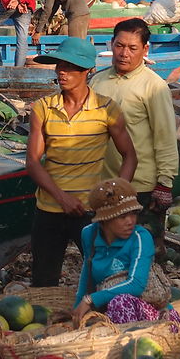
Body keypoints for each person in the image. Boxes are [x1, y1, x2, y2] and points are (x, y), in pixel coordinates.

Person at [25, 37, 137, 287]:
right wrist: (62, 197)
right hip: (49, 209)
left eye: (70, 67)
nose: (62, 72)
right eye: (59, 66)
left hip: (89, 212)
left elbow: (130, 155)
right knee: (44, 279)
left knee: (103, 276)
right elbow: (32, 162)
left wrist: (117, 193)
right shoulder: (43, 108)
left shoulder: (107, 109)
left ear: (87, 71)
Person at [90, 18, 178, 260]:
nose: (124, 54)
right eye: (119, 46)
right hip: (105, 184)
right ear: (111, 44)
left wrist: (165, 184)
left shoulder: (153, 86)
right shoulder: (98, 80)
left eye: (132, 48)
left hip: (142, 186)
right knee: (110, 253)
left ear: (145, 50)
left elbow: (166, 136)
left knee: (146, 254)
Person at [73, 177, 180, 326]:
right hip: (109, 313)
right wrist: (77, 310)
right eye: (123, 216)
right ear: (105, 219)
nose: (130, 221)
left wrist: (91, 300)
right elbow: (87, 272)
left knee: (120, 303)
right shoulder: (89, 234)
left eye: (133, 214)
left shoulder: (140, 237)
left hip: (156, 318)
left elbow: (136, 284)